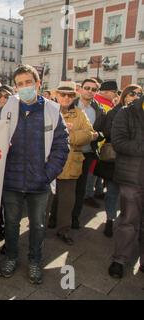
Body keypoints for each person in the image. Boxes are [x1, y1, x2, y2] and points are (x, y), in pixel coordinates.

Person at [0, 65, 69, 284]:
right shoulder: (7, 107)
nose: (24, 87)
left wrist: (47, 174)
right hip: (12, 181)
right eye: (20, 84)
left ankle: (35, 261)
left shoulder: (53, 110)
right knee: (11, 223)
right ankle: (11, 257)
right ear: (16, 87)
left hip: (39, 183)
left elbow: (61, 146)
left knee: (38, 225)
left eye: (29, 82)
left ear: (38, 84)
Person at [49, 81, 96, 245]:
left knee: (67, 200)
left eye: (70, 95)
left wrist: (69, 134)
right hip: (48, 162)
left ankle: (64, 230)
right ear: (56, 95)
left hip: (70, 163)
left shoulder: (80, 114)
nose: (66, 98)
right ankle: (46, 223)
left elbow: (90, 134)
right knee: (47, 198)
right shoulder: (47, 111)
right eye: (63, 94)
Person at [97, 85, 143, 238]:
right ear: (124, 95)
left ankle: (126, 223)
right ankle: (110, 219)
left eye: (139, 94)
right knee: (112, 192)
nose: (135, 96)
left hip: (134, 165)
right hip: (114, 161)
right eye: (132, 93)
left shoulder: (139, 114)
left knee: (129, 197)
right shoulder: (115, 112)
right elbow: (109, 133)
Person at [108, 93, 144, 279]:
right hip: (132, 177)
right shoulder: (127, 112)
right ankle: (120, 260)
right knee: (129, 220)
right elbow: (118, 142)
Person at [70, 78, 105, 228]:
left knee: (80, 188)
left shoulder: (99, 110)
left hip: (87, 154)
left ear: (96, 92)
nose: (90, 91)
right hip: (68, 153)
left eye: (93, 89)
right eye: (87, 88)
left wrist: (97, 135)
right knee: (63, 187)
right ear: (80, 89)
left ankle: (75, 217)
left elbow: (104, 131)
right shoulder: (69, 105)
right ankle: (56, 216)